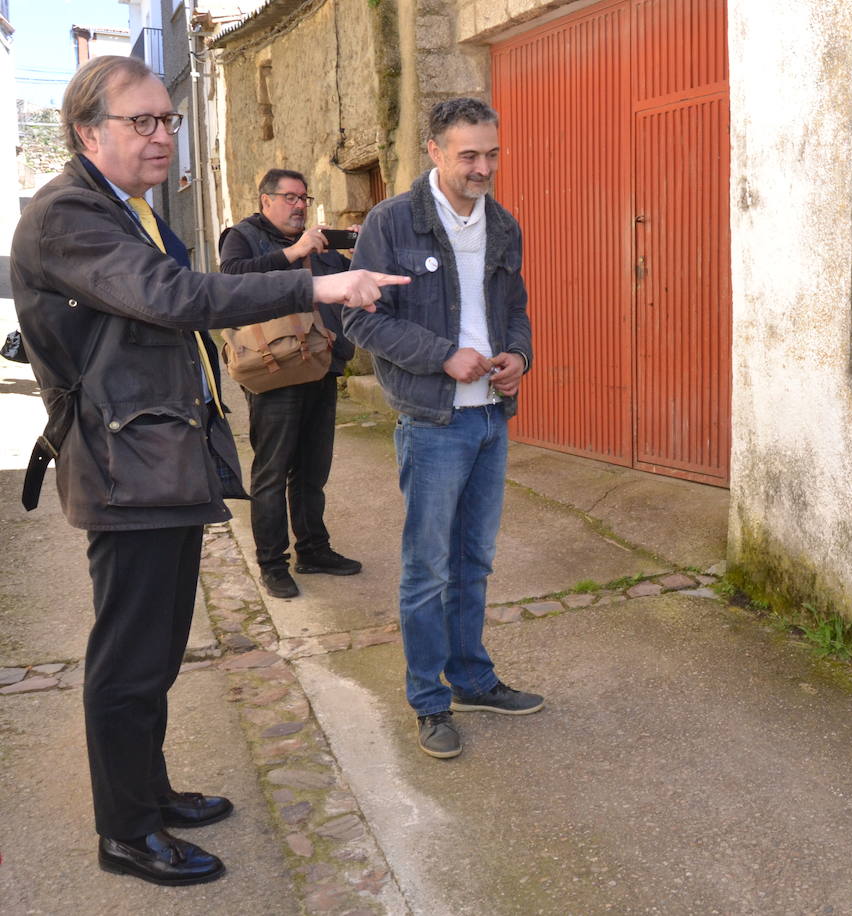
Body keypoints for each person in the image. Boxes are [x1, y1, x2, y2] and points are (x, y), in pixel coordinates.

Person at [9, 56, 406, 886]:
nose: (162, 135)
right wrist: (321, 283)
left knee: (154, 654)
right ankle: (124, 831)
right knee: (129, 659)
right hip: (124, 467)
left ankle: (148, 793)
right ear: (88, 132)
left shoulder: (128, 209)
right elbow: (179, 297)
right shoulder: (69, 217)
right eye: (142, 122)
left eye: (169, 120)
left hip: (158, 456)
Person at [345, 97, 542, 760]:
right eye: (468, 156)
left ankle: (473, 680)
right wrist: (442, 356)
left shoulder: (504, 225)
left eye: (491, 153)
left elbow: (514, 310)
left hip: (490, 416)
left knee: (475, 562)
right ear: (433, 151)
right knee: (427, 568)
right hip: (432, 422)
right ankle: (430, 703)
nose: (482, 167)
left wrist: (518, 356)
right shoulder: (391, 223)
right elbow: (362, 321)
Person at [219, 169, 362, 599]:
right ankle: (272, 563)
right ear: (266, 201)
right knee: (272, 470)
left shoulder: (318, 244)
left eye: (303, 198)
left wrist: (358, 252)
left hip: (321, 364)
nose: (299, 205)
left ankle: (314, 549)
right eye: (290, 198)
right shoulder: (243, 236)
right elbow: (232, 278)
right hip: (275, 368)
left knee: (313, 469)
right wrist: (293, 252)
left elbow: (342, 286)